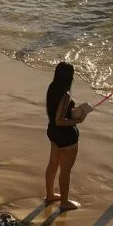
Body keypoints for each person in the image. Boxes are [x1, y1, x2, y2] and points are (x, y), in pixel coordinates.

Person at [45, 62, 88, 211]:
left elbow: (56, 114)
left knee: (53, 164)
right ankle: (64, 202)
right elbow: (60, 120)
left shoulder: (52, 87)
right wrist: (78, 120)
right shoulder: (65, 95)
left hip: (53, 132)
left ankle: (50, 195)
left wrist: (73, 109)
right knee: (65, 170)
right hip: (66, 137)